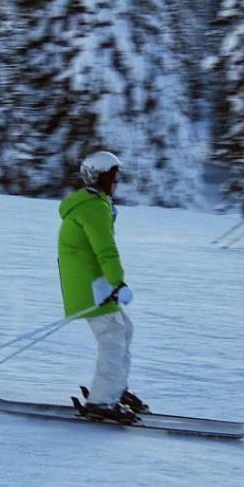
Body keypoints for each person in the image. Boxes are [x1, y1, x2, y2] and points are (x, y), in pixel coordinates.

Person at [57, 150, 147, 424]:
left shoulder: (94, 203)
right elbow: (106, 250)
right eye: (113, 177)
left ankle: (115, 388)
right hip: (89, 284)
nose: (117, 183)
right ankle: (102, 400)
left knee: (123, 329)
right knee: (113, 335)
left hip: (92, 280)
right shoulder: (93, 207)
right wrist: (119, 282)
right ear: (100, 178)